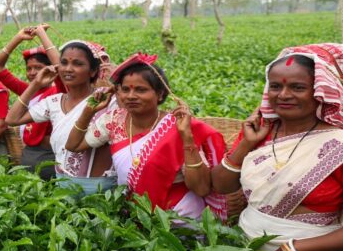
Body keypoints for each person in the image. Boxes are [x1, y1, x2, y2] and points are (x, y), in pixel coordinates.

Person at [211, 51, 343, 251]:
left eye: (297, 87)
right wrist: (246, 144)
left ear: (320, 92)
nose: (284, 95)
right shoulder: (260, 133)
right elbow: (221, 185)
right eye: (275, 87)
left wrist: (293, 250)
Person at [65, 53, 226, 219]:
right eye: (125, 89)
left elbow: (201, 188)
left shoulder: (176, 126)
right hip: (135, 214)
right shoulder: (113, 121)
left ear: (160, 95)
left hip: (179, 216)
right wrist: (89, 111)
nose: (131, 96)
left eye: (141, 90)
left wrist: (186, 137)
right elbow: (73, 146)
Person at [6, 39, 116, 194]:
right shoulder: (54, 102)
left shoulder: (106, 100)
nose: (68, 69)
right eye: (63, 63)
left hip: (99, 188)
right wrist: (35, 84)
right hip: (63, 186)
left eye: (77, 64)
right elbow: (12, 119)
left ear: (92, 71)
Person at [0, 26, 62, 180]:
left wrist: (42, 35)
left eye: (38, 68)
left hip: (49, 157)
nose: (32, 73)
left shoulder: (58, 92)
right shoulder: (29, 91)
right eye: (29, 68)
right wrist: (18, 38)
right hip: (29, 156)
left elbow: (61, 69)